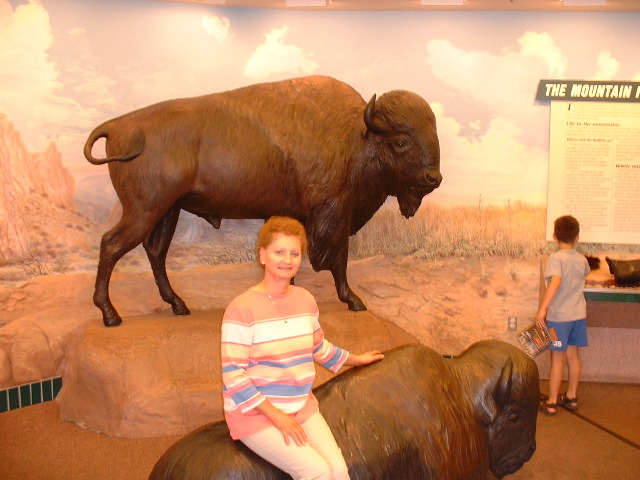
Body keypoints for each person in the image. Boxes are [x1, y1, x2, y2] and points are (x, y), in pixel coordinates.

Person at [221, 216, 384, 480]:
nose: (287, 259)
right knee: (317, 472)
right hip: (255, 414)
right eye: (279, 252)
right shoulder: (241, 308)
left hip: (300, 405)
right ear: (263, 255)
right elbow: (234, 375)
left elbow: (318, 347)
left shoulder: (305, 300)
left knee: (340, 471)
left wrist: (356, 359)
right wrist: (279, 418)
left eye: (294, 253)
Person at [535, 215, 590, 417]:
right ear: (577, 238)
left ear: (555, 236)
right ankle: (572, 397)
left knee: (557, 359)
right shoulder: (582, 259)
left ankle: (551, 402)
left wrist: (543, 309)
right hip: (578, 315)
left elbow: (556, 283)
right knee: (573, 357)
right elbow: (582, 276)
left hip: (560, 317)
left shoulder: (556, 258)